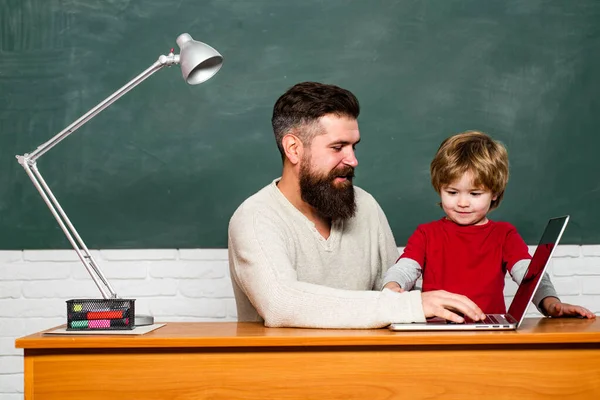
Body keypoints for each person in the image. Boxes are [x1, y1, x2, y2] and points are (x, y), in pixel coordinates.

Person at [228, 82, 486, 329]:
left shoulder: (365, 205)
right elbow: (280, 302)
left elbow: (392, 294)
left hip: (369, 369)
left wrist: (456, 308)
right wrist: (410, 305)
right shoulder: (255, 217)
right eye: (337, 147)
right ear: (294, 149)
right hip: (287, 373)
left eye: (353, 147)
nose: (352, 160)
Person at [382, 131, 595, 318]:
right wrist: (392, 287)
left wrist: (550, 302)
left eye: (475, 193)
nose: (463, 203)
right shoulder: (426, 233)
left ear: (494, 193)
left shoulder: (504, 234)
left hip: (489, 331)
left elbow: (528, 273)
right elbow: (405, 268)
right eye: (452, 192)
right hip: (438, 330)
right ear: (440, 188)